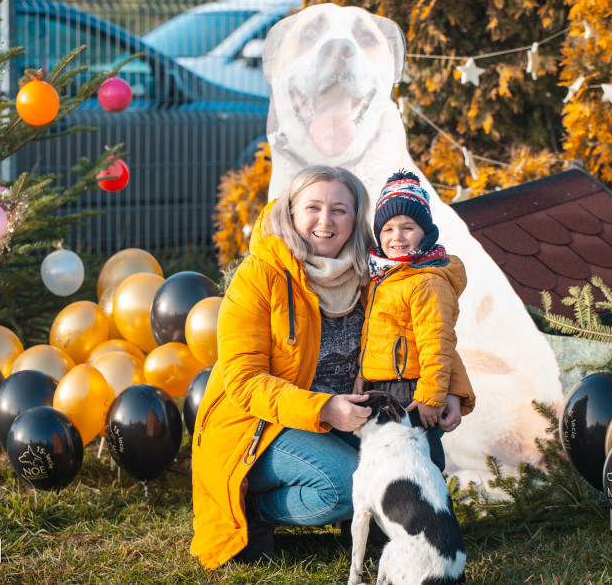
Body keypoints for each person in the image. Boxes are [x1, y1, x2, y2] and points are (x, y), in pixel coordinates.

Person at [189, 165, 476, 569]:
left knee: (424, 456)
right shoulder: (259, 276)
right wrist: (323, 408)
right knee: (343, 487)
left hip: (350, 417)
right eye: (313, 207)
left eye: (339, 209)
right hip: (262, 424)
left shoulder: (369, 273)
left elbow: (424, 330)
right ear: (291, 213)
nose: (325, 221)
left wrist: (451, 390)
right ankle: (253, 511)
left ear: (356, 219)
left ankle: (362, 518)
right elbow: (243, 381)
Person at [353, 170, 468, 471]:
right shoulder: (382, 276)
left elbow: (439, 343)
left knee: (418, 464)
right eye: (388, 228)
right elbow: (375, 337)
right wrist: (362, 376)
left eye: (408, 227)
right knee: (386, 465)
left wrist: (432, 396)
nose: (397, 237)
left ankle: (430, 515)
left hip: (412, 391)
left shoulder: (426, 281)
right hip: (382, 387)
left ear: (425, 232)